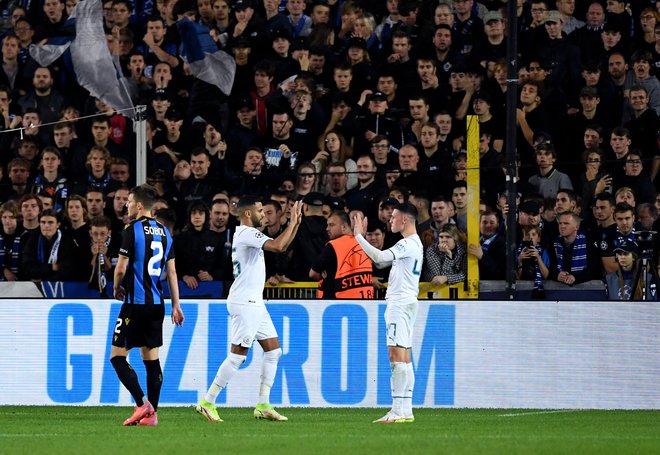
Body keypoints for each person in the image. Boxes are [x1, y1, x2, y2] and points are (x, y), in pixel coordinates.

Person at [196, 197, 303, 423]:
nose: (263, 214)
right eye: (260, 211)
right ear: (247, 214)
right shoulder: (246, 233)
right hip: (246, 303)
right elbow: (278, 246)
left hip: (254, 303)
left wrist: (294, 225)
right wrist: (292, 224)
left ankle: (263, 404)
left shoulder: (247, 234)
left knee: (273, 351)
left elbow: (279, 245)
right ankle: (208, 401)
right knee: (238, 356)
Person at [111, 184, 184, 427]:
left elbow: (121, 267)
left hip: (135, 304)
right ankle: (152, 416)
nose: (126, 205)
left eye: (129, 201)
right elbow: (172, 273)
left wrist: (116, 286)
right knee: (150, 359)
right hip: (157, 305)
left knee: (117, 357)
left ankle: (143, 403)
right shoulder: (166, 232)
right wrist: (176, 305)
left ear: (139, 206)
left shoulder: (131, 230)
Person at [353, 202, 422, 424]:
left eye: (393, 217)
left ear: (404, 220)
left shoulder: (407, 244)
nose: (390, 220)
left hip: (400, 304)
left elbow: (380, 258)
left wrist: (358, 237)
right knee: (404, 357)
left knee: (395, 356)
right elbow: (384, 264)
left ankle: (397, 410)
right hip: (408, 301)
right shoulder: (414, 244)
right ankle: (406, 410)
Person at [310, 210, 373, 298]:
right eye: (327, 225)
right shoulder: (364, 244)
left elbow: (312, 274)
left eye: (331, 225)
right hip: (365, 303)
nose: (327, 228)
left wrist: (323, 273)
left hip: (336, 303)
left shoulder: (333, 245)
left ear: (343, 227)